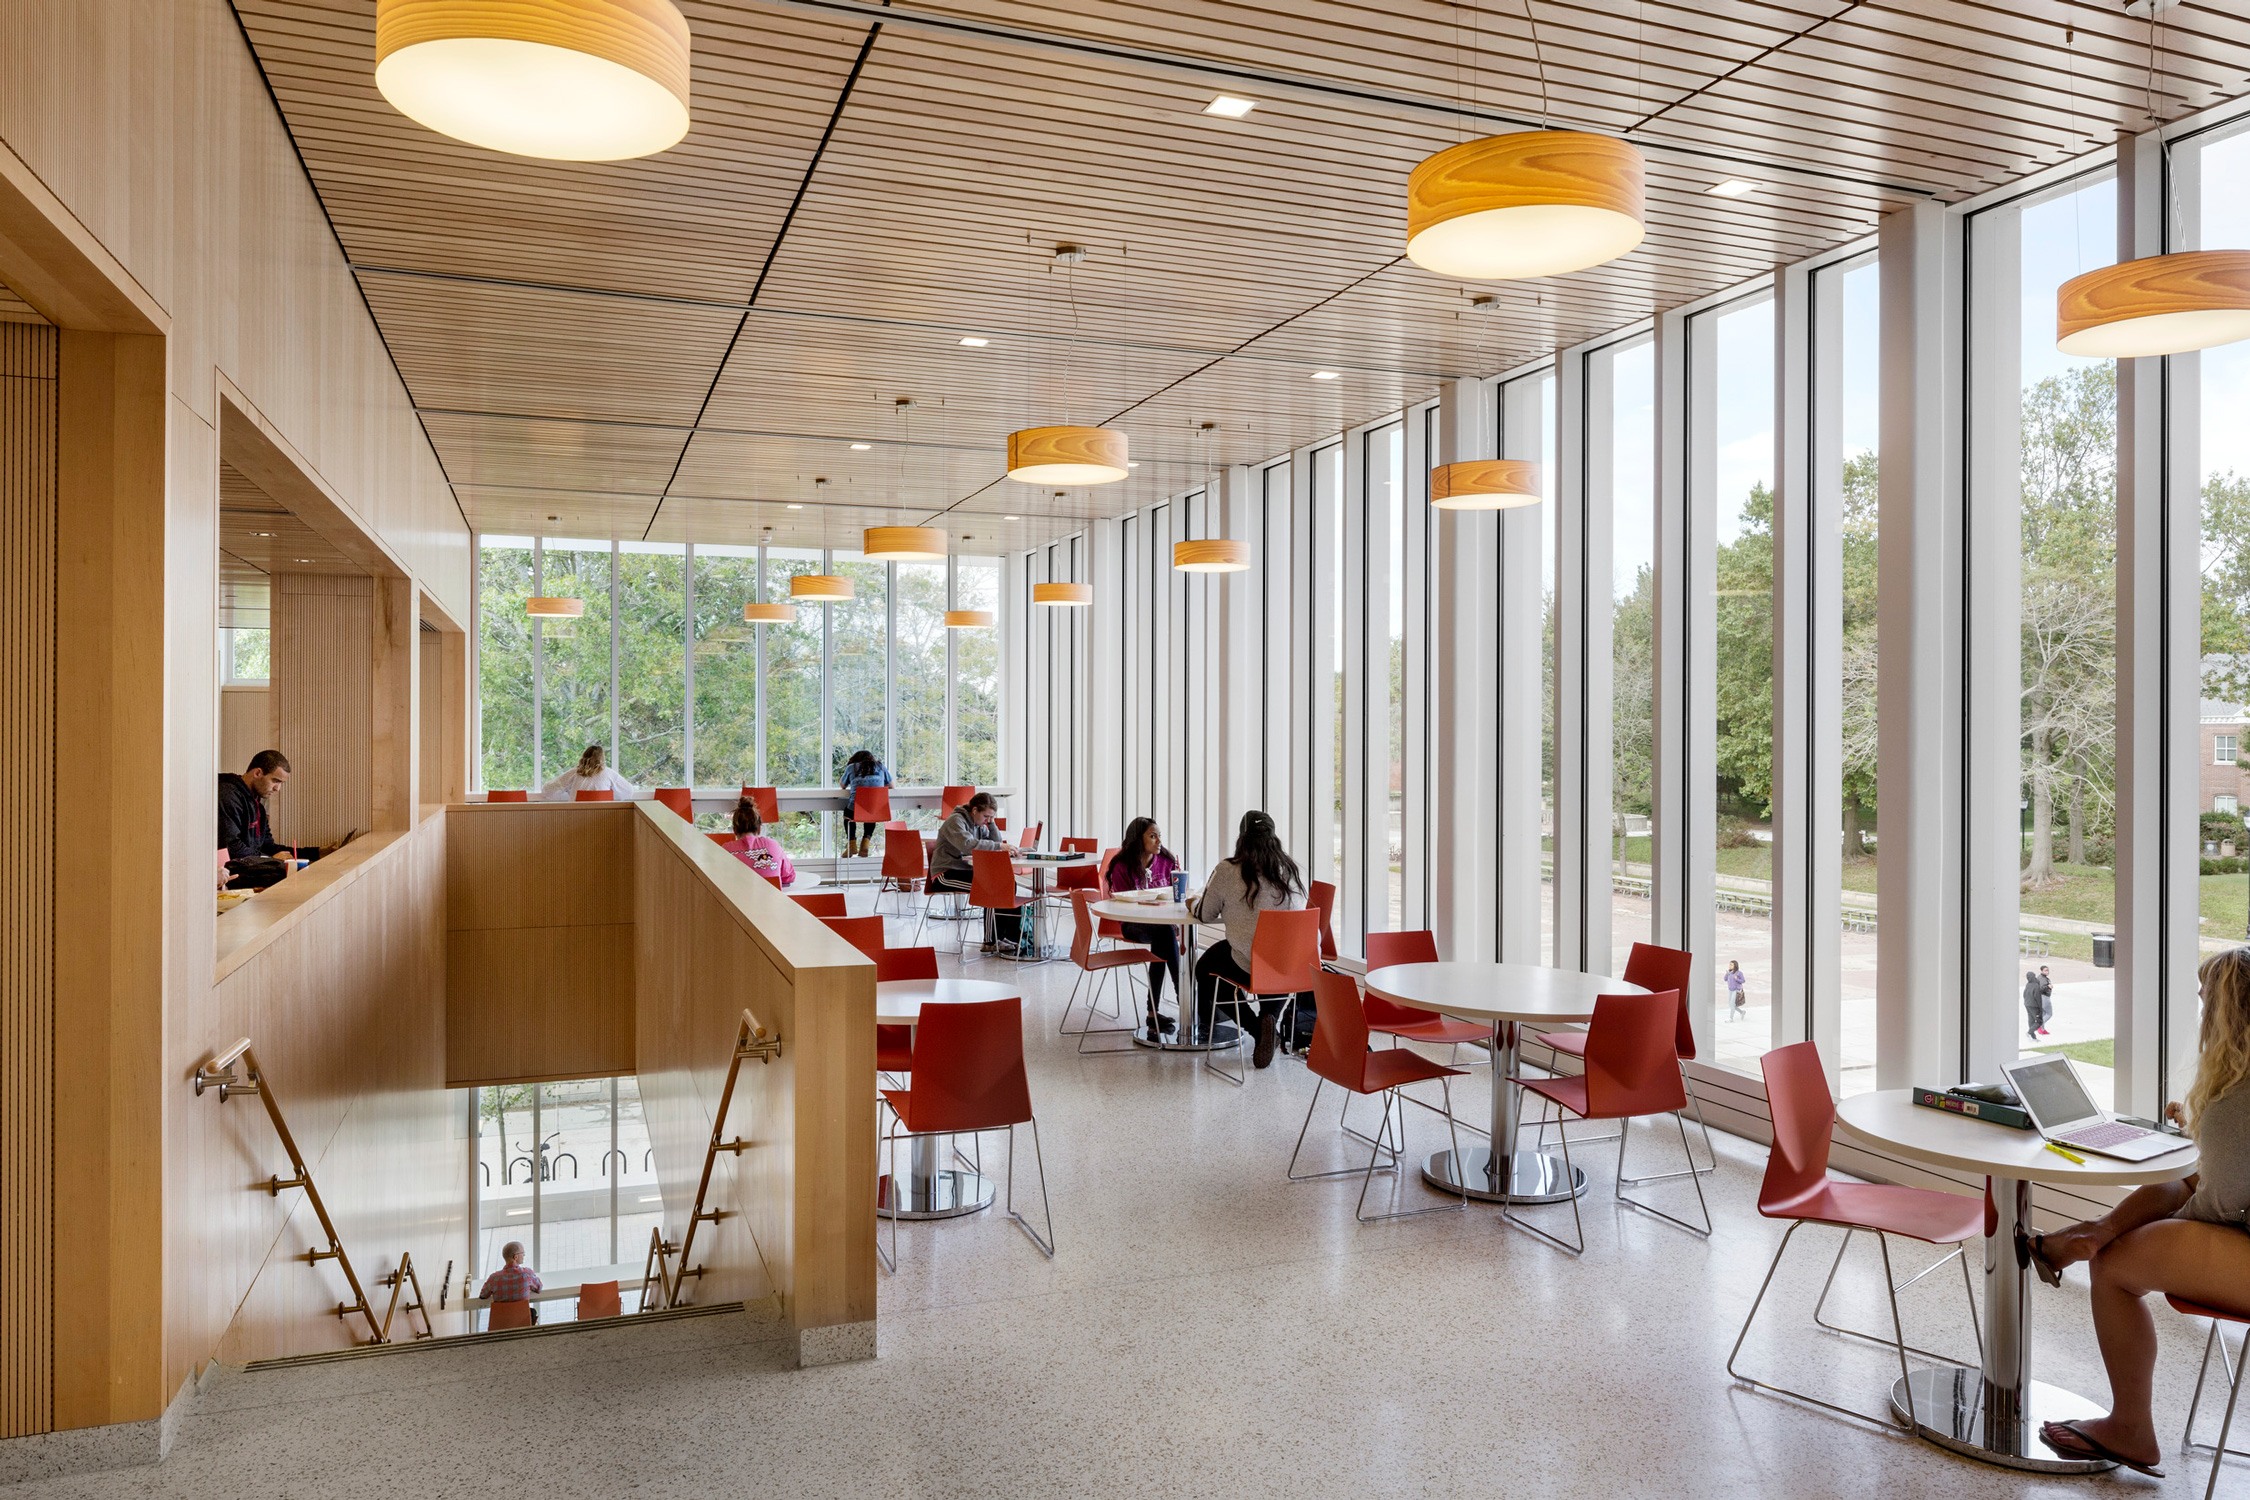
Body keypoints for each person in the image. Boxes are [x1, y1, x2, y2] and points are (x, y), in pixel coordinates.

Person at [2023, 947, 2250, 1476]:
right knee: (2174, 1188)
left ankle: (2131, 1428)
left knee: (2118, 1266)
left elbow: (2213, 1206)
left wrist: (2134, 1232)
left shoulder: (2237, 1100)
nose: (2197, 1011)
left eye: (2202, 1001)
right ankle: (2089, 1232)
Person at [1192, 810, 1308, 1069]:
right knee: (1277, 959)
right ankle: (1269, 1016)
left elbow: (1205, 914)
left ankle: (1256, 1028)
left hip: (1247, 964)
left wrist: (1193, 902)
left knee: (1204, 968)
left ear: (1242, 837)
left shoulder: (1227, 870)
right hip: (1289, 965)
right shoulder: (1290, 870)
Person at [1106, 817, 1181, 1040]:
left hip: (1162, 925)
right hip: (1133, 925)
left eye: (1159, 835)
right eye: (1152, 835)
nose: (1159, 840)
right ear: (1139, 840)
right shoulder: (1122, 866)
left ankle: (1152, 1013)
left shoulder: (1166, 861)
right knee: (1165, 936)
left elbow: (1176, 896)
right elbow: (1121, 904)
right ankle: (1185, 1002)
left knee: (1163, 940)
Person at [930, 791, 1019, 949]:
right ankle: (990, 942)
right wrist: (999, 846)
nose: (988, 820)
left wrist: (991, 823)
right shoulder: (955, 821)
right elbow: (968, 845)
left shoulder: (979, 824)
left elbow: (994, 842)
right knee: (990, 888)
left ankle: (1006, 937)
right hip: (945, 873)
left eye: (992, 817)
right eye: (986, 816)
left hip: (964, 870)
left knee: (1007, 883)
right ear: (975, 810)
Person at [218, 750, 319, 885]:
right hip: (231, 876)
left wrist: (316, 853)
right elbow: (232, 847)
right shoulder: (228, 795)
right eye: (275, 781)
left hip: (248, 870)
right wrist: (270, 859)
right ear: (258, 773)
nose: (278, 788)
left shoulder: (258, 803)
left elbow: (268, 846)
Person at [722, 796, 796, 886]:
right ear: (759, 828)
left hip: (737, 899)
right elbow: (789, 876)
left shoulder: (725, 850)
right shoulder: (773, 846)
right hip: (771, 899)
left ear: (734, 830)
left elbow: (720, 879)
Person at [840, 749, 895, 858]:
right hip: (876, 809)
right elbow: (891, 786)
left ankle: (852, 843)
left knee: (847, 815)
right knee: (871, 812)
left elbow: (842, 785)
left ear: (855, 760)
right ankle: (865, 842)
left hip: (855, 808)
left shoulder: (852, 768)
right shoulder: (881, 767)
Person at [478, 1241, 543, 1326]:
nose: (524, 1255)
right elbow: (539, 1288)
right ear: (515, 1257)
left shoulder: (494, 1278)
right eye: (522, 1253)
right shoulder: (527, 1274)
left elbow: (483, 1295)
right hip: (522, 1324)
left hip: (500, 1326)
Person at [541, 744, 637, 801]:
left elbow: (547, 790)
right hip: (604, 818)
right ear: (602, 758)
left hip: (575, 818)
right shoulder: (609, 773)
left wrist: (570, 794)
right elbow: (628, 791)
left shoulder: (574, 772)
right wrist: (609, 795)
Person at [2024, 967, 2054, 1040]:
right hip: (2034, 1005)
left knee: (2031, 1020)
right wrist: (2040, 1008)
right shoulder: (2036, 985)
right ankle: (2029, 1032)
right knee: (2039, 1021)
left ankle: (2033, 1037)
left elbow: (2024, 994)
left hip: (2027, 1004)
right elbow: (2038, 998)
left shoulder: (2028, 985)